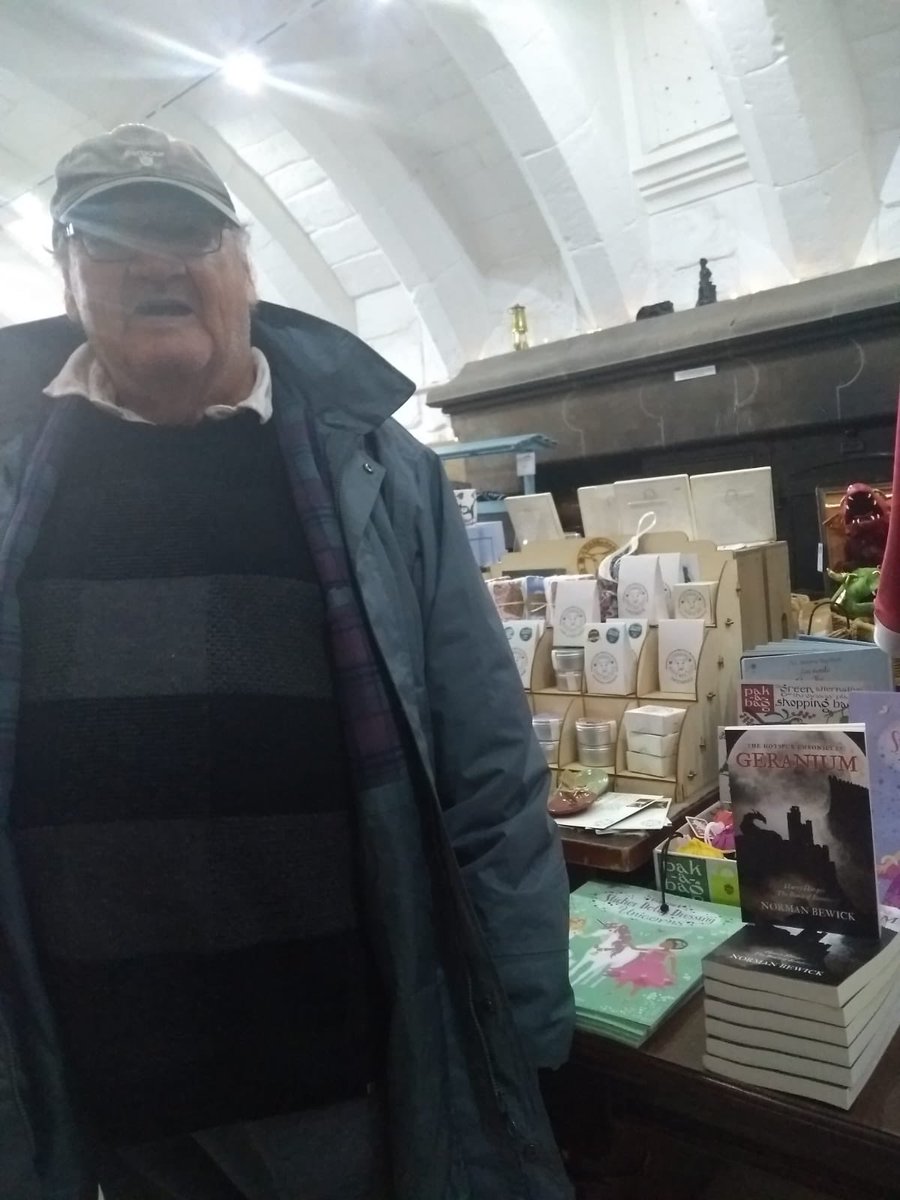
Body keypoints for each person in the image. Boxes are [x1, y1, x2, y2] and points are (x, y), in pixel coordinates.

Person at [0, 125, 574, 1200]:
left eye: (187, 234)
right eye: (109, 238)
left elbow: (489, 770)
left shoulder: (377, 472)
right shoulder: (12, 478)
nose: (153, 263)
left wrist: (523, 1014)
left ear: (244, 262)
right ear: (65, 271)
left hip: (333, 1077)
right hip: (101, 1088)